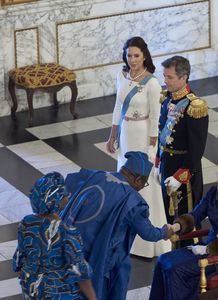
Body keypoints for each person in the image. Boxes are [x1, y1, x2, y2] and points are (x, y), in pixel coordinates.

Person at [61, 151, 175, 300]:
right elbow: (149, 234)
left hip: (70, 242)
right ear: (138, 179)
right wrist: (165, 231)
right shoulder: (133, 200)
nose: (142, 187)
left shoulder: (97, 175)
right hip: (98, 254)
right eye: (144, 183)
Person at [149, 159, 218, 300]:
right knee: (163, 260)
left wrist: (207, 249)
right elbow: (197, 214)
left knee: (176, 269)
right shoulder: (213, 192)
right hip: (209, 247)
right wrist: (176, 227)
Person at [106, 36, 170, 257]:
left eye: (136, 55)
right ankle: (126, 236)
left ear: (144, 56)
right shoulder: (121, 75)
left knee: (144, 181)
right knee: (124, 181)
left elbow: (155, 117)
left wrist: (152, 150)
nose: (132, 59)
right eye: (129, 55)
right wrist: (112, 135)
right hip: (126, 134)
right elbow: (117, 106)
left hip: (143, 134)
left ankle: (150, 241)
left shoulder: (151, 82)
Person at [12, 172, 96, 300]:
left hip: (31, 289)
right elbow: (79, 271)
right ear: (55, 200)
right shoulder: (67, 231)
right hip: (57, 294)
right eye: (63, 195)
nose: (67, 196)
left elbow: (19, 259)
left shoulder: (26, 222)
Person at [155, 55, 209, 224]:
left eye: (169, 77)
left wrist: (180, 177)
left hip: (185, 173)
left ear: (183, 77)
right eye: (164, 76)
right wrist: (158, 164)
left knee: (185, 221)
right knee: (169, 217)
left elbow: (196, 150)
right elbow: (162, 134)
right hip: (166, 166)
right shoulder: (167, 99)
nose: (165, 81)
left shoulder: (194, 107)